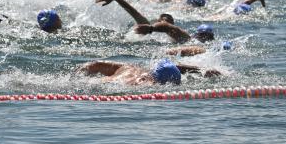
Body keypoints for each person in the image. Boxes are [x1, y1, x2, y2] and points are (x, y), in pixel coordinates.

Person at [78, 58, 221, 86]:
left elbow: (95, 65)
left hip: (87, 83)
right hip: (102, 91)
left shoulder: (129, 67)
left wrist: (78, 73)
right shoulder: (149, 82)